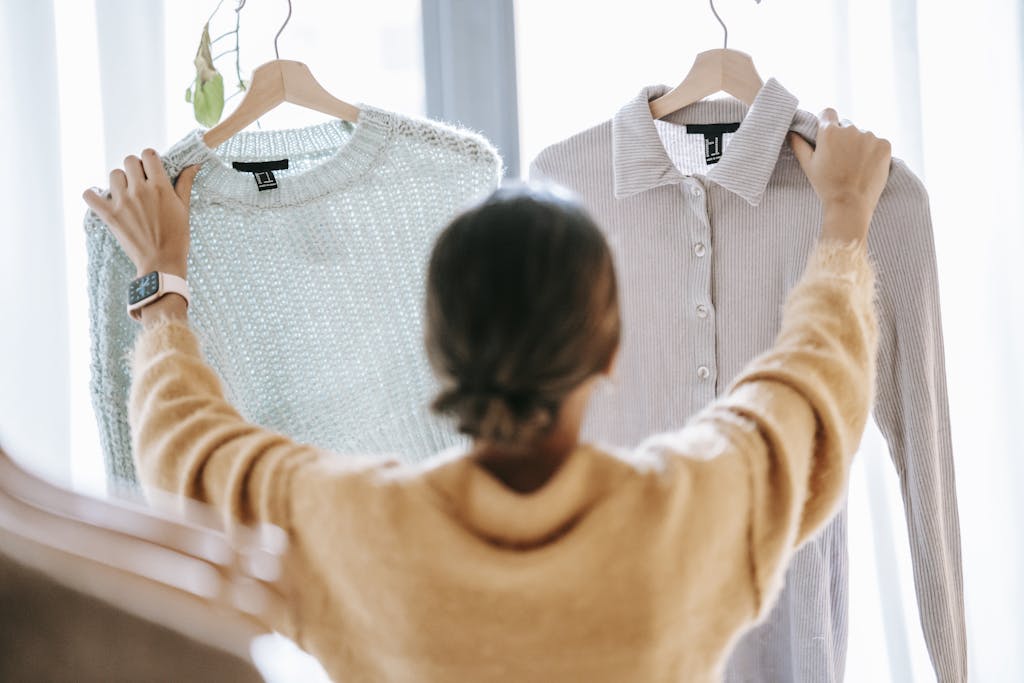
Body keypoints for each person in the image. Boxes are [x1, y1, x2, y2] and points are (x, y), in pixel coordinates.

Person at [83, 108, 889, 683]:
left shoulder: (359, 529)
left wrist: (162, 286)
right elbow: (810, 391)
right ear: (609, 352)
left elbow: (191, 451)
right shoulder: (688, 516)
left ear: (439, 354)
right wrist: (846, 219)